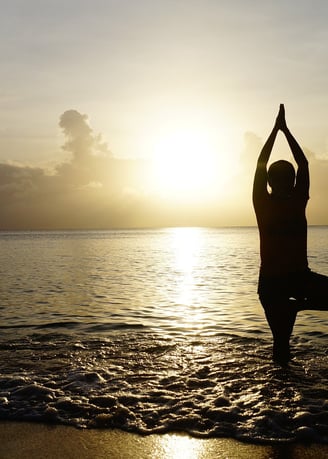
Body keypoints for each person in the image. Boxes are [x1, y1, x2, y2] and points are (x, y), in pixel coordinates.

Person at [253, 104, 328, 365]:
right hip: (276, 284)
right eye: (284, 179)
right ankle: (280, 394)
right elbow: (298, 163)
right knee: (282, 344)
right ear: (273, 183)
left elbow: (300, 164)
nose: (287, 184)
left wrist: (280, 130)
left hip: (293, 279)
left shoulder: (279, 201)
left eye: (289, 179)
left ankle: (299, 306)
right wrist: (281, 130)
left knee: (282, 345)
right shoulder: (270, 202)